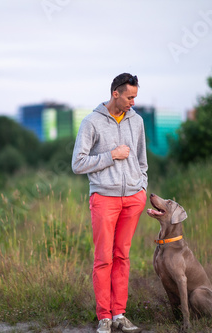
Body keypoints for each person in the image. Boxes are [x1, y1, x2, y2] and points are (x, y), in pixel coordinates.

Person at [71, 73, 148, 333]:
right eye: (130, 97)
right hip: (104, 198)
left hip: (133, 199)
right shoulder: (91, 122)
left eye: (135, 97)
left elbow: (141, 159)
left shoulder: (136, 121)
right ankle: (104, 316)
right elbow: (77, 163)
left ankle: (119, 314)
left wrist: (142, 188)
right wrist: (111, 155)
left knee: (122, 256)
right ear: (115, 93)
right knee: (103, 258)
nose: (133, 102)